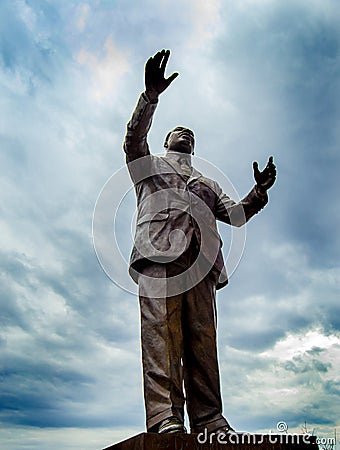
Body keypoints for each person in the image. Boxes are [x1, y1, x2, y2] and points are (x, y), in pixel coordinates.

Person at [123, 50, 276, 435]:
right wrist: (150, 97)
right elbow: (132, 140)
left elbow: (236, 215)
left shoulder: (207, 184)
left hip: (200, 265)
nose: (186, 135)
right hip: (158, 256)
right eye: (179, 132)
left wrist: (257, 191)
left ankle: (209, 418)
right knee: (161, 336)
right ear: (167, 140)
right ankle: (164, 417)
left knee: (202, 340)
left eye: (191, 134)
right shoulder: (150, 165)